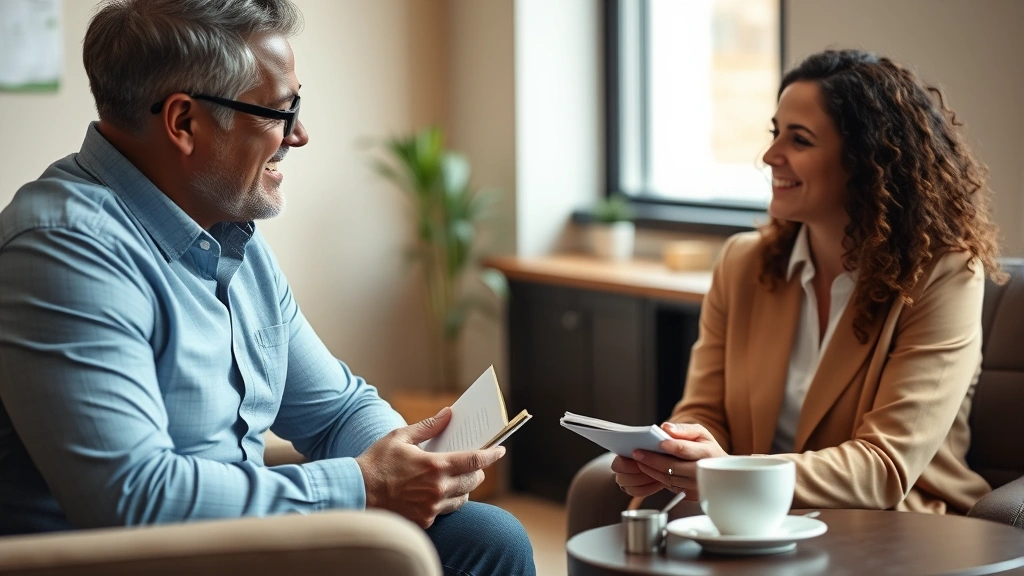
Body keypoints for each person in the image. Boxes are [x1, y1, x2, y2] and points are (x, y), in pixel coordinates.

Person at [0, 1, 535, 573]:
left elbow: (336, 411)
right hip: (125, 561)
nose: (299, 135)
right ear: (184, 123)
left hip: (231, 547)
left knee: (483, 535)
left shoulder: (229, 234)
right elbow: (136, 498)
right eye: (281, 111)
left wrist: (411, 462)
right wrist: (363, 485)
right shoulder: (63, 250)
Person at [613, 49, 1004, 514]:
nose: (770, 155)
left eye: (798, 140)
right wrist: (674, 452)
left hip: (891, 526)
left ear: (865, 158)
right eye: (775, 133)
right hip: (755, 515)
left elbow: (885, 468)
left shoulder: (943, 275)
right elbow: (705, 411)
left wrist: (732, 473)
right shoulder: (743, 263)